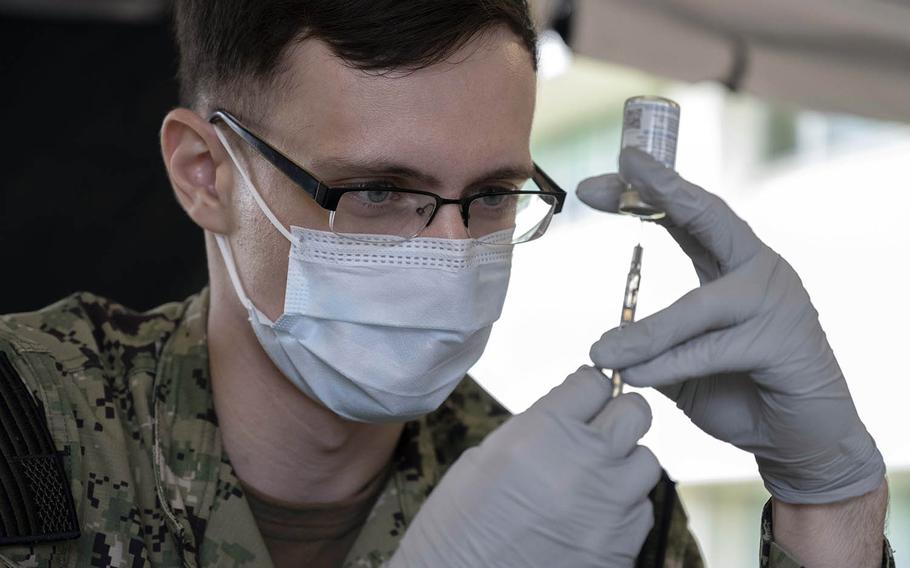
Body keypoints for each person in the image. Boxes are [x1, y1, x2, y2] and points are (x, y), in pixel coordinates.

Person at [0, 1, 893, 567]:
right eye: (381, 190)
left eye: (495, 195)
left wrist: (833, 507)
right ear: (206, 174)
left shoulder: (592, 517)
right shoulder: (26, 426)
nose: (454, 251)